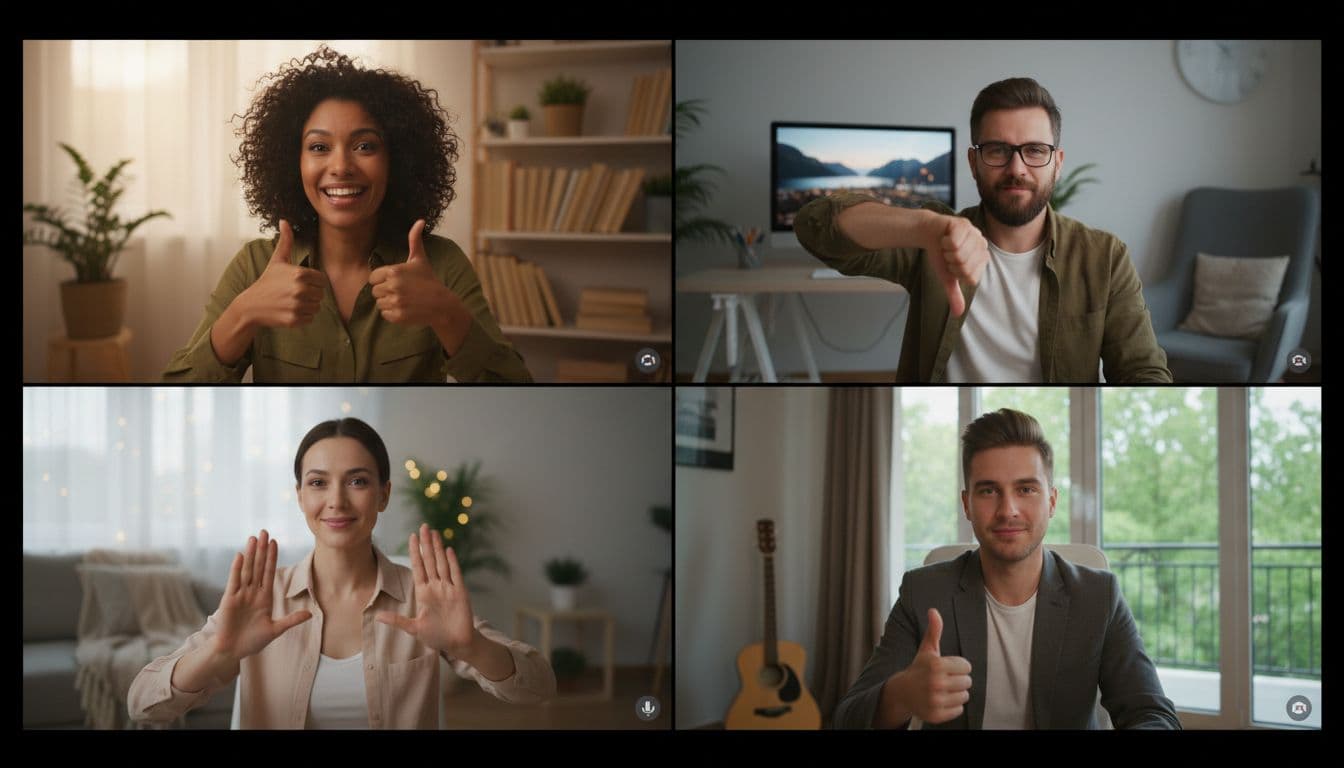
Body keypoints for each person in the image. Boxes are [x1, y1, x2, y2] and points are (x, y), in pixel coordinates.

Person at [127, 417, 555, 729]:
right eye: (318, 483)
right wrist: (217, 653)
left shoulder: (420, 597)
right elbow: (142, 705)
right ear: (299, 496)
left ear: (383, 495)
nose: (336, 501)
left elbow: (538, 688)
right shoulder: (264, 598)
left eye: (357, 481)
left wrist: (471, 646)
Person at [163, 46, 531, 382]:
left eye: (365, 146)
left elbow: (517, 391)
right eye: (319, 147)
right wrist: (243, 314)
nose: (341, 167)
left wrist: (446, 314)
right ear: (293, 162)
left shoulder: (441, 265)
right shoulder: (254, 267)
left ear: (396, 161)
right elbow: (175, 390)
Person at [795, 77, 1171, 383]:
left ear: (1057, 163)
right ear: (974, 162)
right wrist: (923, 227)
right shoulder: (935, 240)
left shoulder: (1105, 257)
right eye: (997, 150)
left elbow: (1144, 373)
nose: (1017, 168)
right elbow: (814, 225)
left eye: (1035, 150)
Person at [832, 408, 1179, 729]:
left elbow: (1153, 714)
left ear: (1051, 501)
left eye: (1026, 489)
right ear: (967, 505)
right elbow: (847, 718)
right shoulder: (923, 592)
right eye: (988, 491)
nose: (1007, 510)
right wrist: (902, 694)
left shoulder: (1099, 596)